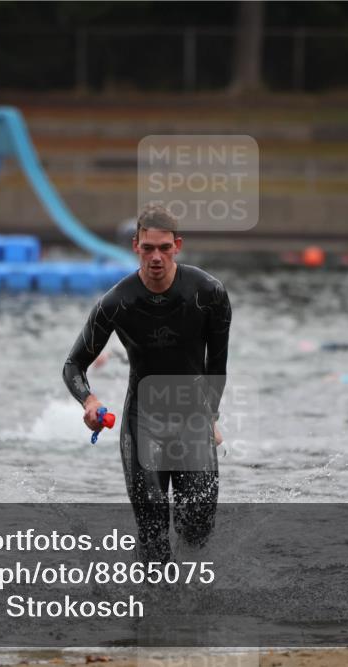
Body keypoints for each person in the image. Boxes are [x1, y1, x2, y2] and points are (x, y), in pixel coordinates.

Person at [62, 204, 232, 563]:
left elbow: (217, 364)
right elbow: (73, 364)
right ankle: (151, 610)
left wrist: (211, 416)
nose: (156, 257)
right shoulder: (117, 303)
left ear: (177, 246)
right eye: (148, 248)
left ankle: (190, 610)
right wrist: (89, 402)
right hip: (143, 422)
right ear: (135, 246)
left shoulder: (208, 294)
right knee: (153, 524)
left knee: (197, 526)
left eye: (164, 248)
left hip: (192, 419)